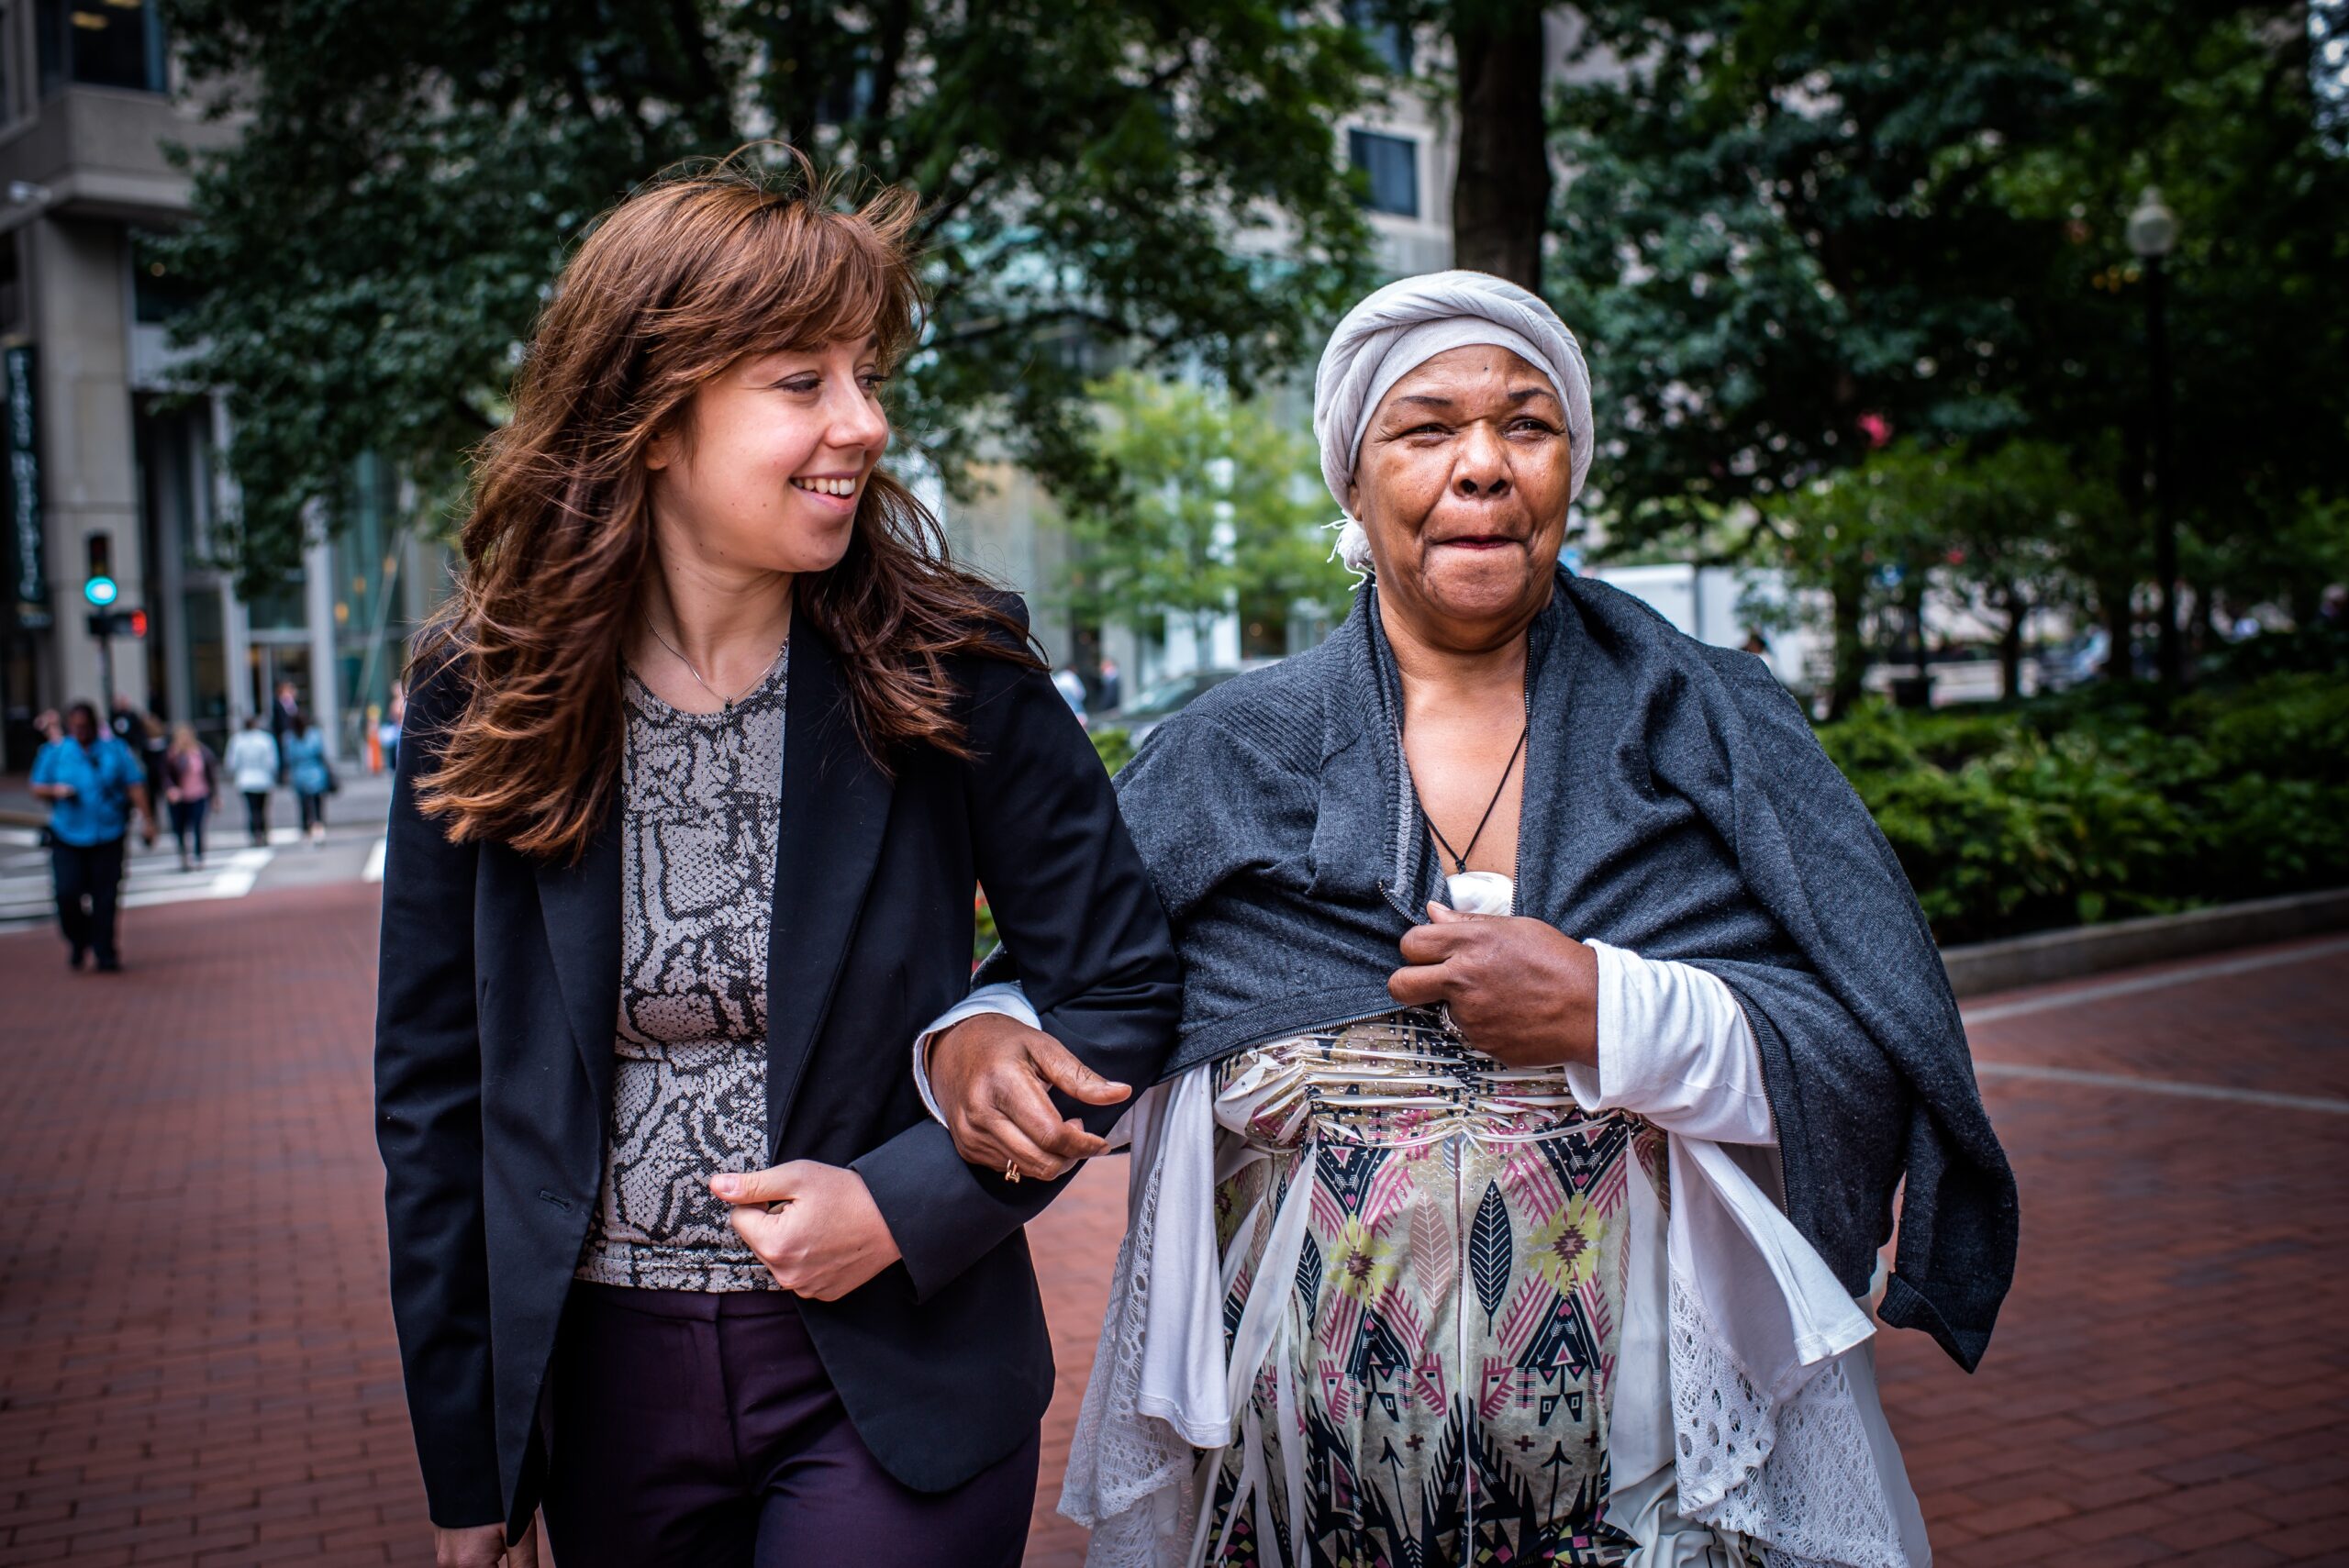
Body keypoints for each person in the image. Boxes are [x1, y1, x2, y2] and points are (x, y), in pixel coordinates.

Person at [928, 272, 2017, 1567]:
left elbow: (1862, 1047)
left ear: (1569, 466)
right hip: (1292, 1500)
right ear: (1353, 476)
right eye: (1428, 427)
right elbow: (1073, 980)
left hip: (1654, 1491)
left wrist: (1609, 1010)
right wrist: (975, 1040)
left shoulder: (1706, 728)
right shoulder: (1232, 752)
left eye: (1528, 424)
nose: (1484, 466)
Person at [373, 155, 1180, 1568]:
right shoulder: (482, 689)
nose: (862, 424)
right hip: (603, 1390)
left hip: (895, 1375)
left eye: (866, 377)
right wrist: (468, 1461)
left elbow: (1120, 981)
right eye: (801, 382)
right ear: (653, 418)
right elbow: (436, 1096)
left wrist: (910, 1201)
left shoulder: (953, 668)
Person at [29, 700, 156, 972]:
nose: (81, 731)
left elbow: (134, 785)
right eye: (76, 726)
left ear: (94, 725)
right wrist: (56, 791)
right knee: (66, 893)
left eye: (85, 726)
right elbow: (37, 786)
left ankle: (105, 951)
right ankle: (80, 938)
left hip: (108, 833)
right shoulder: (56, 752)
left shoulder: (115, 751)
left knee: (105, 897)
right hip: (67, 834)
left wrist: (148, 821)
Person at [161, 724, 222, 872]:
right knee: (180, 828)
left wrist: (215, 796)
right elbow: (164, 775)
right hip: (179, 797)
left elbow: (211, 775)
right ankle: (184, 856)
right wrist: (170, 789)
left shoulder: (202, 752)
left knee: (198, 827)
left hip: (199, 794)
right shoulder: (172, 754)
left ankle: (198, 856)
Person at [225, 716, 280, 846]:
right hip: (263, 779)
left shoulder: (238, 740)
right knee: (262, 809)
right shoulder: (265, 739)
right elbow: (272, 761)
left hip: (246, 780)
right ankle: (264, 833)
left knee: (251, 810)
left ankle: (255, 835)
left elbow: (232, 763)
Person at [281, 711, 334, 844]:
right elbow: (321, 753)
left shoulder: (290, 738)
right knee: (317, 804)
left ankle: (307, 829)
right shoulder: (314, 735)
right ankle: (319, 827)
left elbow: (289, 758)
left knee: (304, 805)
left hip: (299, 776)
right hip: (316, 774)